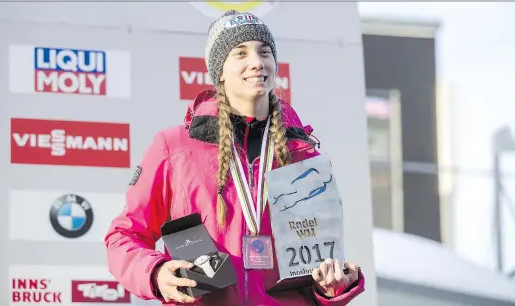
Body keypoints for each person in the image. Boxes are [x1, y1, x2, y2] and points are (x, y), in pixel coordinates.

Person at [105, 10, 366, 306]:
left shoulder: (305, 157)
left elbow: (314, 271)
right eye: (240, 53)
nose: (257, 62)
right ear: (220, 71)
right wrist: (155, 274)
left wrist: (333, 287)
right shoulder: (174, 147)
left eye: (264, 52)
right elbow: (124, 236)